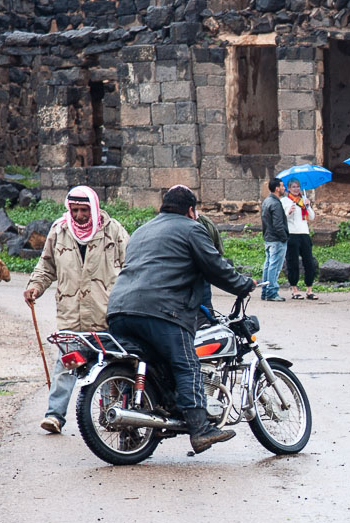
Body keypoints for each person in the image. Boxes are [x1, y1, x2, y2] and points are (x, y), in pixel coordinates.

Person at [105, 186, 256, 454]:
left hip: (119, 309)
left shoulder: (142, 230)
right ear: (191, 210)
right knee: (187, 365)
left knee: (154, 367)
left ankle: (145, 422)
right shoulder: (191, 228)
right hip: (162, 312)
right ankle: (200, 429)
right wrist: (243, 285)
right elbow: (216, 267)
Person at [23, 185, 129, 435]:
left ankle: (110, 413)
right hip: (71, 315)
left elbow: (131, 265)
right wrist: (35, 286)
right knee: (65, 366)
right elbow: (46, 265)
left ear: (93, 207)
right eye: (75, 209)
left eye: (84, 210)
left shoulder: (113, 231)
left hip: (105, 315)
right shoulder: (59, 231)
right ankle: (54, 416)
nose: (79, 215)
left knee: (109, 367)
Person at [281, 178, 318, 300]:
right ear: (289, 189)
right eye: (294, 187)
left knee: (309, 262)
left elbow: (311, 217)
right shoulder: (285, 201)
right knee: (293, 262)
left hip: (304, 233)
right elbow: (282, 218)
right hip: (292, 234)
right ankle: (294, 289)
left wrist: (308, 206)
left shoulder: (303, 200)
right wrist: (289, 212)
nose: (296, 189)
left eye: (298, 187)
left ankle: (309, 289)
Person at [260, 177, 288, 302]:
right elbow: (277, 224)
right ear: (277, 188)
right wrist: (284, 237)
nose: (284, 188)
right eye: (282, 186)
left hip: (268, 237)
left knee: (268, 265)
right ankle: (271, 291)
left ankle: (265, 291)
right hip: (276, 239)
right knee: (274, 266)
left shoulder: (266, 201)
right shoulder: (276, 203)